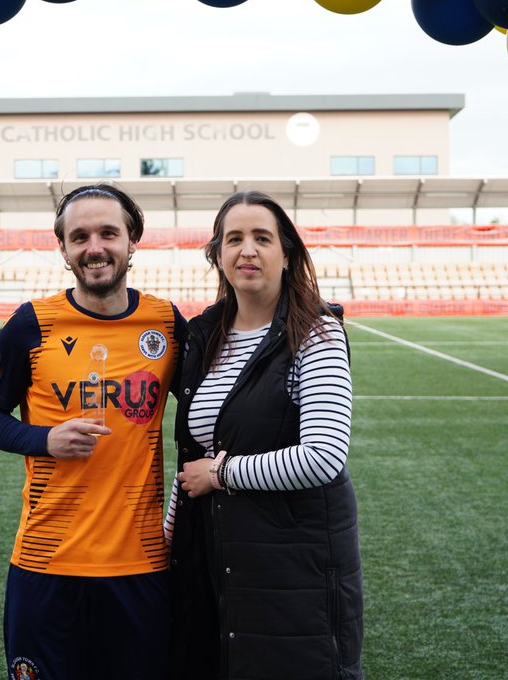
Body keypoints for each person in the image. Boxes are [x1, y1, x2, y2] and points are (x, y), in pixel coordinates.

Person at [0, 183, 185, 680]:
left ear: (133, 241)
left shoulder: (167, 324)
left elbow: (210, 408)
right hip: (46, 560)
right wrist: (43, 438)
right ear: (64, 249)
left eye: (109, 232)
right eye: (80, 236)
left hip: (141, 561)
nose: (95, 247)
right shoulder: (31, 323)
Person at [166, 190, 364, 679]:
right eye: (233, 239)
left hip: (295, 569)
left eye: (262, 238)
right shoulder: (204, 336)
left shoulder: (315, 333)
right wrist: (168, 533)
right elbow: (194, 455)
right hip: (218, 560)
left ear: (286, 252)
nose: (247, 250)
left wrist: (222, 473)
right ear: (217, 254)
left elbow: (323, 456)